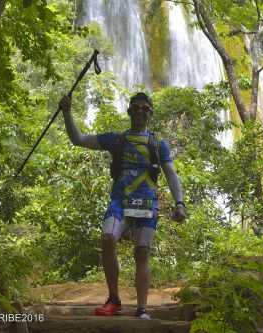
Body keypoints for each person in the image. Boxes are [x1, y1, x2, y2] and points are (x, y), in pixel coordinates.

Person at [59, 92, 186, 320]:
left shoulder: (158, 144)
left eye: (144, 108)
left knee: (142, 253)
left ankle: (142, 309)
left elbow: (171, 174)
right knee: (108, 238)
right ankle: (114, 299)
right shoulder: (116, 140)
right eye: (136, 108)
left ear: (150, 113)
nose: (140, 111)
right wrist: (67, 113)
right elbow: (78, 139)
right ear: (129, 111)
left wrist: (180, 203)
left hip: (146, 203)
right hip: (119, 201)